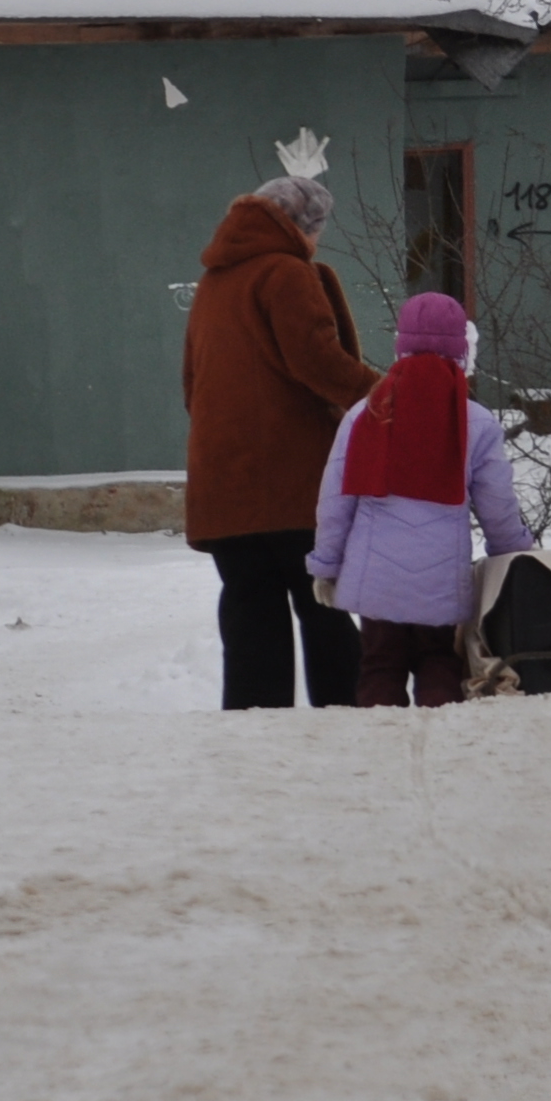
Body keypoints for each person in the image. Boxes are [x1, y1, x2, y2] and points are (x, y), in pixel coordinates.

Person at [180, 173, 379, 709]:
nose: (318, 241)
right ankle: (344, 723)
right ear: (300, 226)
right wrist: (385, 394)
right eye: (317, 230)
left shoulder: (214, 284)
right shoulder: (286, 274)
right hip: (293, 484)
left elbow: (191, 385)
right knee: (322, 606)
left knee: (250, 611)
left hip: (224, 484)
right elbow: (316, 361)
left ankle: (255, 732)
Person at [312, 290, 535, 708]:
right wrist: (514, 552)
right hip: (439, 582)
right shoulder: (476, 422)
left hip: (374, 581)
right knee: (439, 663)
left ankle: (380, 755)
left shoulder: (366, 414)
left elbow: (335, 498)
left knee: (379, 666)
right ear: (460, 352)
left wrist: (327, 564)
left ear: (402, 345)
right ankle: (444, 750)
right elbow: (497, 505)